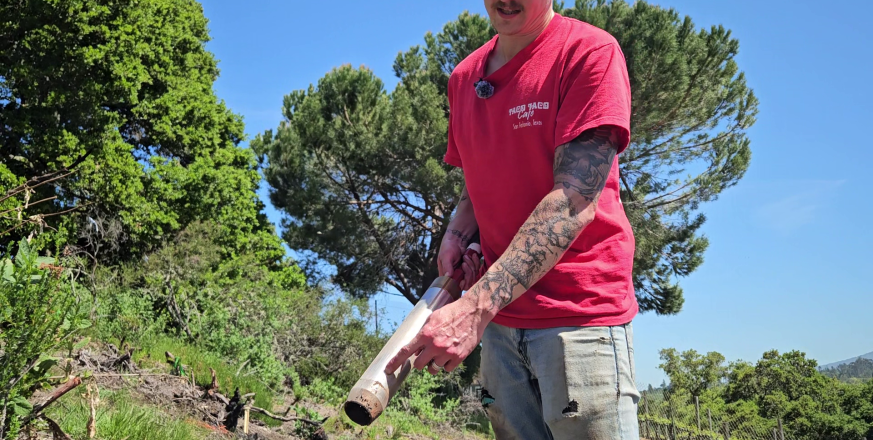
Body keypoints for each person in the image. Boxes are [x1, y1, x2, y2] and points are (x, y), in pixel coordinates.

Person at [385, 1, 640, 438]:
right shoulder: (464, 78)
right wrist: (458, 233)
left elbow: (573, 202)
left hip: (578, 319)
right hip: (501, 326)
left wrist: (475, 308)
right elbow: (476, 176)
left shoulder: (589, 53)